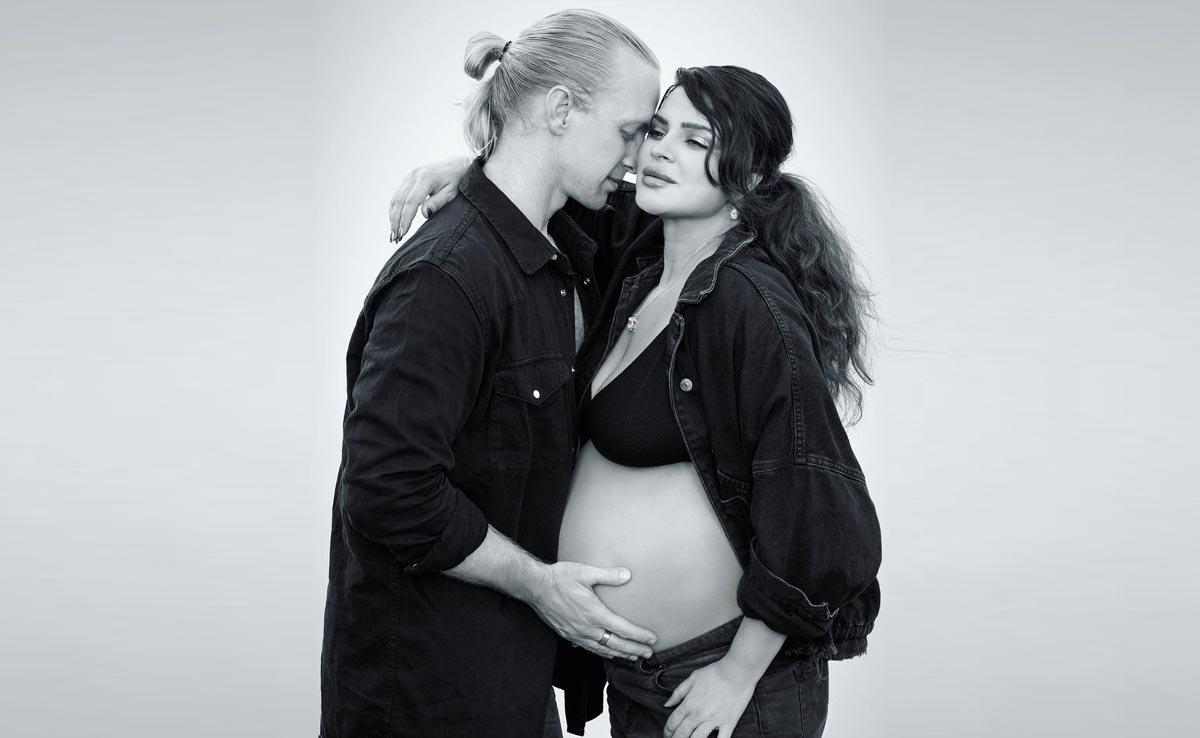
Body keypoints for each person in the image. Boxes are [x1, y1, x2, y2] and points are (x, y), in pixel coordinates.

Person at [391, 66, 882, 738]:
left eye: (696, 140)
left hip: (723, 684)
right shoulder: (644, 269)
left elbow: (820, 510)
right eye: (657, 130)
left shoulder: (747, 301)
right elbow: (572, 195)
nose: (660, 152)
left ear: (748, 176)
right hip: (637, 679)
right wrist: (478, 173)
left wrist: (737, 675)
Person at [320, 11, 665, 738]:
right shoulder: (445, 279)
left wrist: (473, 165)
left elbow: (724, 209)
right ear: (561, 109)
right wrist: (540, 585)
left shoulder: (564, 246)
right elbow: (388, 489)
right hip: (423, 694)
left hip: (512, 675)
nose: (639, 158)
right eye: (630, 131)